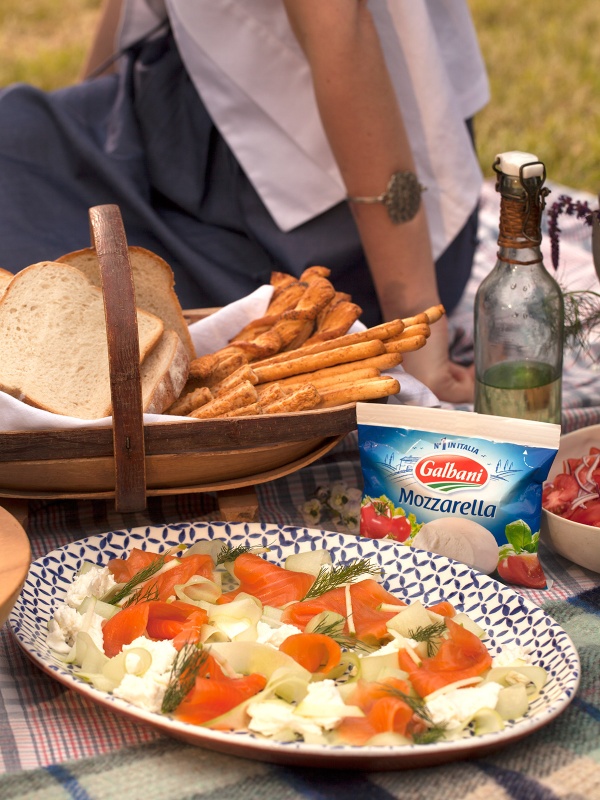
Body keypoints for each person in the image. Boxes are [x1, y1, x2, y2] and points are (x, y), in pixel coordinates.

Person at [0, 0, 489, 402]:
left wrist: (420, 330)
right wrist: (79, 149)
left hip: (345, 201)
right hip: (188, 100)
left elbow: (340, 27)